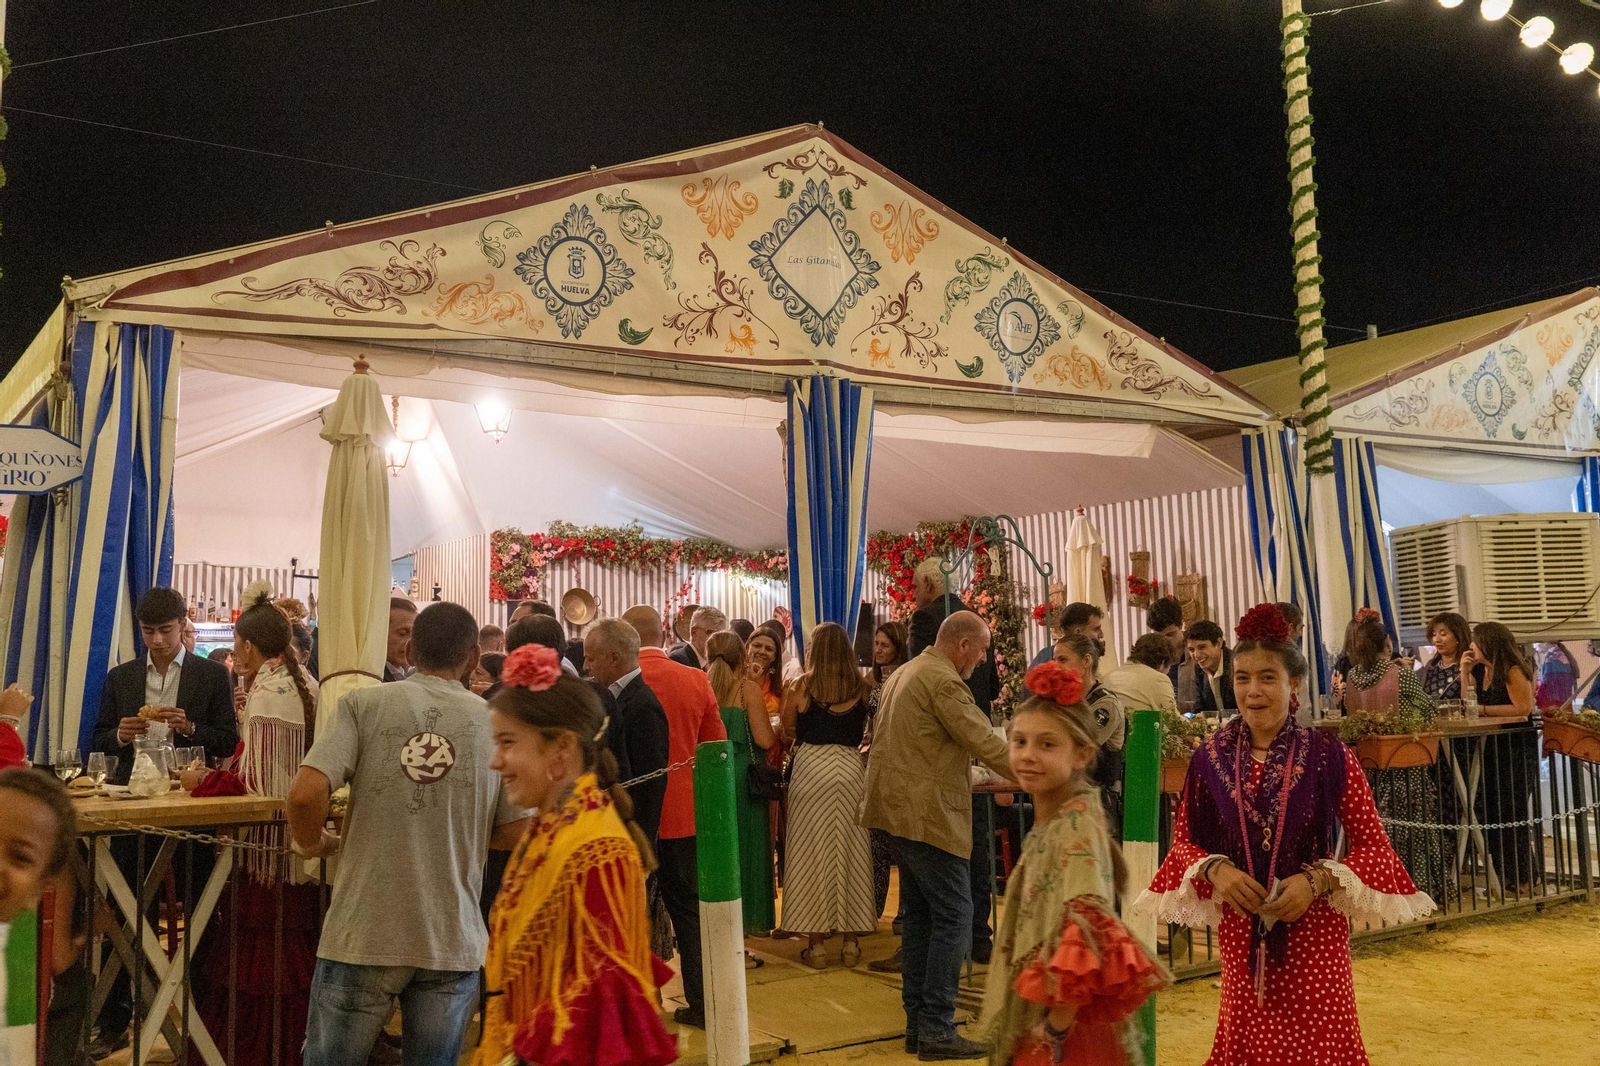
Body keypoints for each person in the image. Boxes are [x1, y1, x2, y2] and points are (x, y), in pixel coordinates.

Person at [1137, 603, 1433, 1066]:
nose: (1253, 691)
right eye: (1242, 678)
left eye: (1267, 678)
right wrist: (1216, 870)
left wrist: (1318, 880)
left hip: (1313, 934)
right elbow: (1183, 847)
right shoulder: (1208, 759)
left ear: (1294, 683)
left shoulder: (1329, 756)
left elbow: (1376, 848)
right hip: (1242, 932)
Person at [289, 602, 529, 1066]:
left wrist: (312, 843)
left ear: (411, 649)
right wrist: (459, 833)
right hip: (451, 935)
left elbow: (304, 795)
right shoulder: (499, 725)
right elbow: (519, 830)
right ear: (474, 656)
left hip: (364, 931)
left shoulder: (363, 704)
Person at [477, 645, 676, 1066]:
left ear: (561, 749)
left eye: (508, 743)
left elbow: (597, 1023)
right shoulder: (552, 829)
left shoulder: (596, 851)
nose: (496, 762)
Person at [977, 663, 1167, 1066]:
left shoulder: (1075, 829)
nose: (1028, 755)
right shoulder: (1061, 820)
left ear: (1082, 754)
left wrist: (1054, 1029)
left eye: (1047, 745)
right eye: (1019, 741)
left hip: (1064, 1028)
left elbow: (1087, 927)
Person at [861, 611, 1012, 1060]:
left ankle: (919, 1026)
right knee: (956, 917)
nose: (982, 660)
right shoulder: (943, 681)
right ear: (962, 644)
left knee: (921, 919)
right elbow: (983, 739)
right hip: (927, 815)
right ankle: (936, 1028)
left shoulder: (907, 671)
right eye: (981, 651)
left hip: (899, 812)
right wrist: (1042, 768)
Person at [192, 584, 321, 1066]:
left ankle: (254, 1050)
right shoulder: (304, 682)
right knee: (296, 948)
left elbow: (260, 787)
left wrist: (203, 781)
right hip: (300, 844)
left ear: (247, 646)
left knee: (261, 953)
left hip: (266, 851)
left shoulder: (269, 695)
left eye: (236, 642)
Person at [620, 605, 726, 1030]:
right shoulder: (695, 678)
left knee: (626, 912)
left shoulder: (617, 681)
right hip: (684, 814)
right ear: (664, 635)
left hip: (629, 816)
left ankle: (635, 1007)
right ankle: (703, 1003)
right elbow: (715, 746)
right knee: (689, 912)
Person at [906, 558, 1001, 964]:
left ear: (930, 584)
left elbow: (919, 680)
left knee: (933, 893)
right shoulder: (977, 620)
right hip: (972, 743)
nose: (914, 594)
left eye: (915, 586)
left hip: (939, 758)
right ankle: (980, 937)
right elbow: (992, 687)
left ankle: (946, 951)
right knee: (977, 847)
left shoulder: (927, 624)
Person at [780, 622, 877, 968]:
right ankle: (851, 943)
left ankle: (817, 945)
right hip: (850, 769)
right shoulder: (863, 687)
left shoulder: (800, 685)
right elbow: (873, 730)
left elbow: (787, 729)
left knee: (810, 853)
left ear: (815, 650)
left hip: (810, 768)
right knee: (852, 851)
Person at [1341, 615, 1453, 910]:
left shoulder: (1352, 677)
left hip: (1367, 768)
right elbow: (1428, 710)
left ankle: (1379, 890)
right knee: (1414, 832)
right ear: (1387, 643)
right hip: (1404, 765)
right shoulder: (1400, 675)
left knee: (1374, 833)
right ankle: (1418, 889)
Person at [92, 587, 239, 783]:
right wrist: (120, 735)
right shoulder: (120, 676)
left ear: (182, 624)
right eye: (148, 631)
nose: (157, 640)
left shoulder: (212, 674)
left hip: (188, 784)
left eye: (165, 630)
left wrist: (190, 728)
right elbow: (99, 740)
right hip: (133, 784)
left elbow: (228, 743)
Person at [705, 631, 778, 936]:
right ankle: (751, 919)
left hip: (712, 775)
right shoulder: (748, 689)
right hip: (745, 777)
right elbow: (764, 739)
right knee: (749, 848)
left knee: (719, 851)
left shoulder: (704, 685)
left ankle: (721, 921)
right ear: (743, 657)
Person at [1459, 621, 1539, 889]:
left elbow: (1522, 708)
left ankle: (1524, 877)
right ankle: (1505, 875)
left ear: (1488, 643)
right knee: (1492, 809)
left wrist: (1483, 711)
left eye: (1475, 641)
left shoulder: (1513, 669)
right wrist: (1464, 672)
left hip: (1515, 747)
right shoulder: (1480, 670)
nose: (1471, 646)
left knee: (1512, 809)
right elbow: (1468, 702)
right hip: (1490, 745)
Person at [582, 619, 671, 847]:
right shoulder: (612, 694)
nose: (585, 666)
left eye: (591, 658)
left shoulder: (643, 705)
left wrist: (639, 843)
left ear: (614, 658)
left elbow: (650, 785)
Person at [1053, 635, 1126, 841]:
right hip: (1067, 798)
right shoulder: (1064, 702)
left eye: (1063, 660)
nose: (1056, 667)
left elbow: (1078, 747)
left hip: (1098, 805)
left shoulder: (1106, 704)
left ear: (1086, 661)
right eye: (1054, 660)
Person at [865, 621, 909, 920]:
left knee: (902, 841)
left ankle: (906, 912)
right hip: (874, 759)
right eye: (876, 644)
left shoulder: (905, 677)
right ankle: (873, 909)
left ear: (898, 648)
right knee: (876, 841)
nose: (878, 650)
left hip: (900, 761)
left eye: (885, 645)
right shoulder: (870, 680)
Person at [1100, 634, 1177, 716]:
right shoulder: (1158, 679)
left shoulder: (1105, 679)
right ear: (1162, 663)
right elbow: (1172, 719)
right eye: (1169, 666)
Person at [1183, 620, 1236, 718]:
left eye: (1202, 647)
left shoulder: (1236, 663)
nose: (1196, 655)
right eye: (1191, 650)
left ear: (1219, 643)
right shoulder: (1198, 668)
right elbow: (1200, 708)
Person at [1028, 602, 1105, 668]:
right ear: (1078, 633)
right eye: (1096, 629)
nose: (1101, 634)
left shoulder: (1088, 656)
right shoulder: (1046, 658)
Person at [1146, 597, 1187, 688]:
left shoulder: (1196, 651)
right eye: (1159, 636)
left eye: (1170, 634)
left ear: (1181, 625)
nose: (1164, 641)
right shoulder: (1150, 657)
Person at [671, 606, 728, 670]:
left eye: (721, 636)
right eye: (711, 633)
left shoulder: (718, 663)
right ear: (694, 632)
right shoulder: (677, 661)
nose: (718, 640)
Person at [384, 596, 418, 682]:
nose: (411, 642)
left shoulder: (412, 674)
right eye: (403, 633)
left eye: (415, 635)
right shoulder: (372, 677)